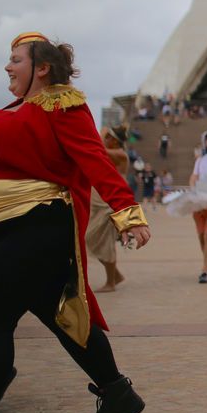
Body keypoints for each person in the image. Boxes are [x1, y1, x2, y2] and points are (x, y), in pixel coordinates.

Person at [0, 32, 151, 413]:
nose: (7, 66)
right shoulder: (11, 110)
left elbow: (95, 160)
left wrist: (127, 212)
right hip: (3, 228)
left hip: (39, 226)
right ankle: (118, 394)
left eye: (16, 60)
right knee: (58, 314)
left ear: (42, 68)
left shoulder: (62, 106)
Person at [166, 129, 207, 283]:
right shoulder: (200, 160)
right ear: (205, 143)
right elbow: (194, 176)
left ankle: (205, 270)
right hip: (198, 202)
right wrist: (192, 186)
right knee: (201, 237)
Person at [85, 125, 131, 293]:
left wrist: (101, 132)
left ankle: (111, 282)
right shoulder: (112, 152)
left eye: (108, 137)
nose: (105, 139)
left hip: (112, 200)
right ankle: (115, 275)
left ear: (114, 140)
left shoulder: (120, 154)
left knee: (104, 241)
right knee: (91, 239)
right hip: (102, 197)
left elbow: (96, 149)